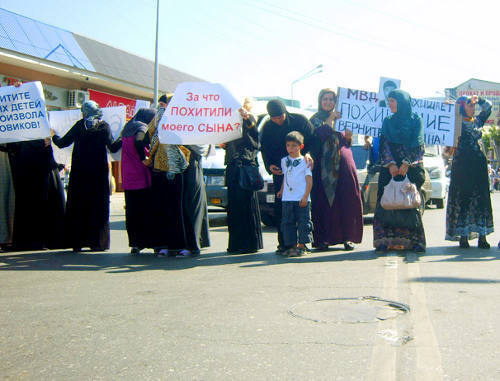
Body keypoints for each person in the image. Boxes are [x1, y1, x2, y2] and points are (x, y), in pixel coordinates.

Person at [52, 100, 119, 252]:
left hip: (79, 174)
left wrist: (53, 136)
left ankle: (77, 242)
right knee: (98, 206)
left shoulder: (79, 125)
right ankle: (97, 243)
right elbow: (113, 147)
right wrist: (123, 137)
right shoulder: (104, 126)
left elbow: (62, 143)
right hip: (98, 174)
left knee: (78, 206)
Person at [373, 89, 426, 252]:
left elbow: (419, 144)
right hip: (390, 170)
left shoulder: (416, 120)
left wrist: (406, 163)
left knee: (409, 203)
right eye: (388, 101)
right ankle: (385, 241)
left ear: (402, 102)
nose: (389, 104)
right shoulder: (388, 121)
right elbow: (384, 144)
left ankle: (414, 242)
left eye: (392, 101)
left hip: (410, 169)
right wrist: (391, 164)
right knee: (387, 202)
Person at [309, 89, 363, 251]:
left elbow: (346, 142)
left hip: (344, 162)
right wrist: (330, 120)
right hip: (323, 166)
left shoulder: (343, 117)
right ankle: (324, 239)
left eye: (331, 99)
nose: (328, 102)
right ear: (320, 101)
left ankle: (348, 237)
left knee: (347, 198)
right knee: (324, 202)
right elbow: (316, 138)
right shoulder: (315, 119)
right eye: (325, 99)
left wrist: (348, 136)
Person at [260, 99, 315, 254]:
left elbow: (313, 140)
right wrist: (270, 165)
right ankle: (285, 243)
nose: (278, 120)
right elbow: (264, 149)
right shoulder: (268, 127)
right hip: (282, 174)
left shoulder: (300, 121)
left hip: (302, 172)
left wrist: (309, 154)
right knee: (284, 213)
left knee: (303, 214)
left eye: (280, 117)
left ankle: (304, 244)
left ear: (285, 112)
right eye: (274, 118)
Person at [146, 94, 191, 256]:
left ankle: (173, 244)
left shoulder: (176, 118)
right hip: (167, 166)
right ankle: (171, 244)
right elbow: (151, 135)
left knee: (172, 207)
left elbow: (149, 135)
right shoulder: (166, 117)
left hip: (168, 165)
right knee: (172, 207)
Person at [446, 95, 494, 248]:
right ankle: (463, 236)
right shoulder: (456, 123)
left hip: (478, 167)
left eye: (473, 106)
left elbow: (488, 107)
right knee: (463, 199)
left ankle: (482, 236)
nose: (473, 108)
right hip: (461, 167)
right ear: (462, 107)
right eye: (470, 105)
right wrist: (449, 108)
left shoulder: (478, 121)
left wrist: (477, 99)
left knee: (481, 200)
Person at [112, 108, 156, 254]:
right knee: (145, 210)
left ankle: (135, 243)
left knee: (131, 211)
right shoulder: (142, 128)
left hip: (128, 176)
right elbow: (139, 143)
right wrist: (144, 159)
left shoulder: (126, 129)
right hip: (140, 174)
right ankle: (147, 241)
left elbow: (113, 147)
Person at [222, 98, 263, 254]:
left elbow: (256, 138)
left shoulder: (249, 120)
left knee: (246, 206)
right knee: (233, 207)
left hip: (245, 167)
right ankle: (236, 243)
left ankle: (249, 243)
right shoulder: (228, 123)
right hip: (233, 168)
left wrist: (248, 118)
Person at [276, 131, 313, 256]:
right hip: (287, 198)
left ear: (301, 146)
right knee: (287, 222)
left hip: (301, 197)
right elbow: (285, 176)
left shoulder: (305, 161)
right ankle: (292, 246)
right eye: (288, 145)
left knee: (303, 221)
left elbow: (309, 180)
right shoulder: (283, 160)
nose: (290, 148)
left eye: (294, 145)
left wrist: (305, 196)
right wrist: (281, 190)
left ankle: (302, 246)